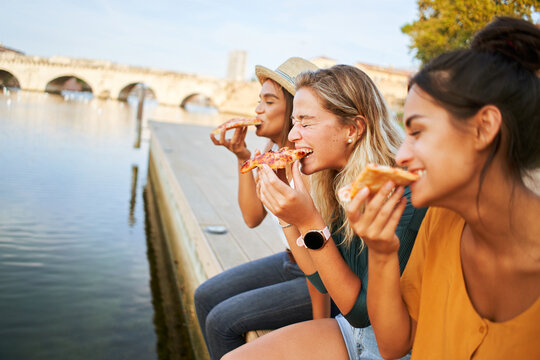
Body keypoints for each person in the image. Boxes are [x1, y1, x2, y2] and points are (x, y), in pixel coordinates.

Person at [347, 17, 540, 359]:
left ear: (483, 128)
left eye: (418, 132)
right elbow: (393, 345)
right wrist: (381, 251)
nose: (401, 155)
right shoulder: (440, 221)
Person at [223, 65, 427, 360]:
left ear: (352, 129)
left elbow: (360, 312)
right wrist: (287, 216)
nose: (292, 135)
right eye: (294, 122)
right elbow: (320, 279)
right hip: (349, 331)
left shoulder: (399, 195)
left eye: (306, 123)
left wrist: (308, 220)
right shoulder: (333, 178)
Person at [195, 57, 327, 360]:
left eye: (269, 102)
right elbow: (252, 217)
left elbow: (318, 256)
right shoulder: (272, 151)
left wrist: (321, 329)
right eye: (260, 101)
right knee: (205, 297)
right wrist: (243, 157)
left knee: (222, 322)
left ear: (295, 109)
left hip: (320, 275)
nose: (257, 110)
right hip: (291, 262)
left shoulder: (311, 163)